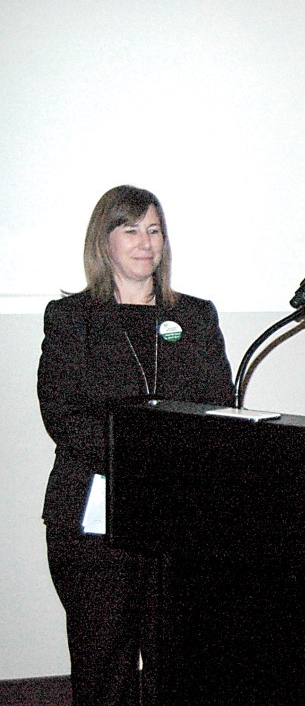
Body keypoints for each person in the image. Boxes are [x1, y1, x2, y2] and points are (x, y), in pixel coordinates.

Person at [37, 185, 233, 705]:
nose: (146, 243)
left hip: (178, 522)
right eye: (131, 230)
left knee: (181, 663)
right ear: (104, 241)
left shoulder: (195, 316)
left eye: (154, 230)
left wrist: (170, 469)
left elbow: (218, 407)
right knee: (103, 664)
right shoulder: (71, 318)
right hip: (93, 523)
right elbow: (62, 413)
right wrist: (140, 462)